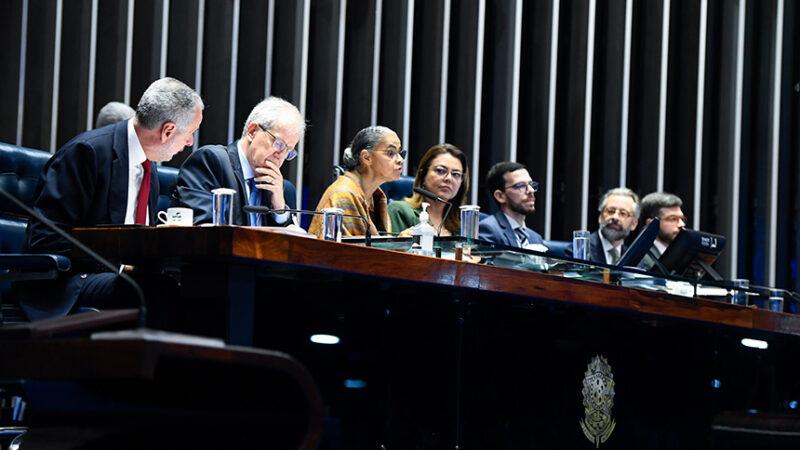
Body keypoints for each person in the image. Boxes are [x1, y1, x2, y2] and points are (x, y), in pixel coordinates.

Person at [21, 77, 204, 320]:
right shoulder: (87, 152)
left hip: (118, 276)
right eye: (190, 133)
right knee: (155, 292)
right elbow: (45, 239)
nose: (190, 142)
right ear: (168, 131)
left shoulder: (147, 167)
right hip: (68, 281)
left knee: (194, 292)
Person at [173, 97, 305, 226]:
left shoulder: (283, 190)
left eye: (288, 151)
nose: (280, 156)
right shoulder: (211, 162)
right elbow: (204, 230)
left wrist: (279, 210)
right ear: (252, 132)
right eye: (279, 144)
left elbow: (288, 244)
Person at [309, 126, 403, 237]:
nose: (400, 159)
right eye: (391, 153)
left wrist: (400, 243)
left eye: (400, 153)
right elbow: (344, 251)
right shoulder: (343, 194)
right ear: (366, 157)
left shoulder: (374, 198)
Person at [388, 143, 470, 236]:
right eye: (441, 171)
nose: (449, 178)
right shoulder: (399, 210)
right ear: (423, 176)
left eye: (456, 174)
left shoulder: (462, 225)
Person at [564, 187, 640, 264]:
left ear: (634, 224)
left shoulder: (635, 259)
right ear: (600, 217)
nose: (615, 217)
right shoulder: (578, 251)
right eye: (610, 211)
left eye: (623, 213)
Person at [478, 161, 545, 248]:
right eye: (521, 185)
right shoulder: (489, 229)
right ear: (500, 196)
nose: (531, 190)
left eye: (531, 184)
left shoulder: (536, 238)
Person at [639, 192, 686, 270]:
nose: (682, 224)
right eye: (673, 219)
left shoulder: (684, 256)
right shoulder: (642, 259)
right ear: (651, 224)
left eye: (682, 219)